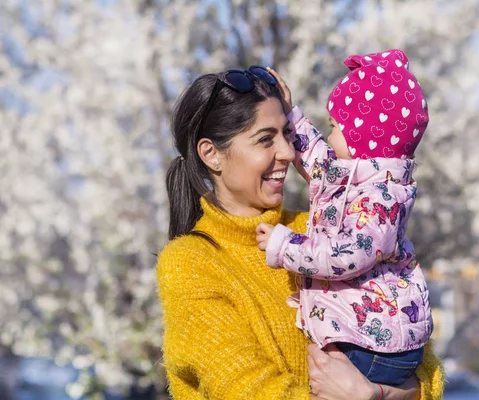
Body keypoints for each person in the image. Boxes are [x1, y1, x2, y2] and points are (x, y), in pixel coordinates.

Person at [156, 65, 444, 399]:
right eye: (266, 140)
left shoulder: (323, 236)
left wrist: (373, 395)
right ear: (211, 154)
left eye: (286, 134)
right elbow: (248, 389)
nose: (289, 152)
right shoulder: (190, 264)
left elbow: (424, 367)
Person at [256, 49, 432, 389]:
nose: (329, 136)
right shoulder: (363, 178)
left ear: (363, 137)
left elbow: (346, 255)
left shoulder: (380, 197)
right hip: (368, 338)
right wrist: (291, 115)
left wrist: (285, 245)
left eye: (336, 127)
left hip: (372, 347)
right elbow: (318, 163)